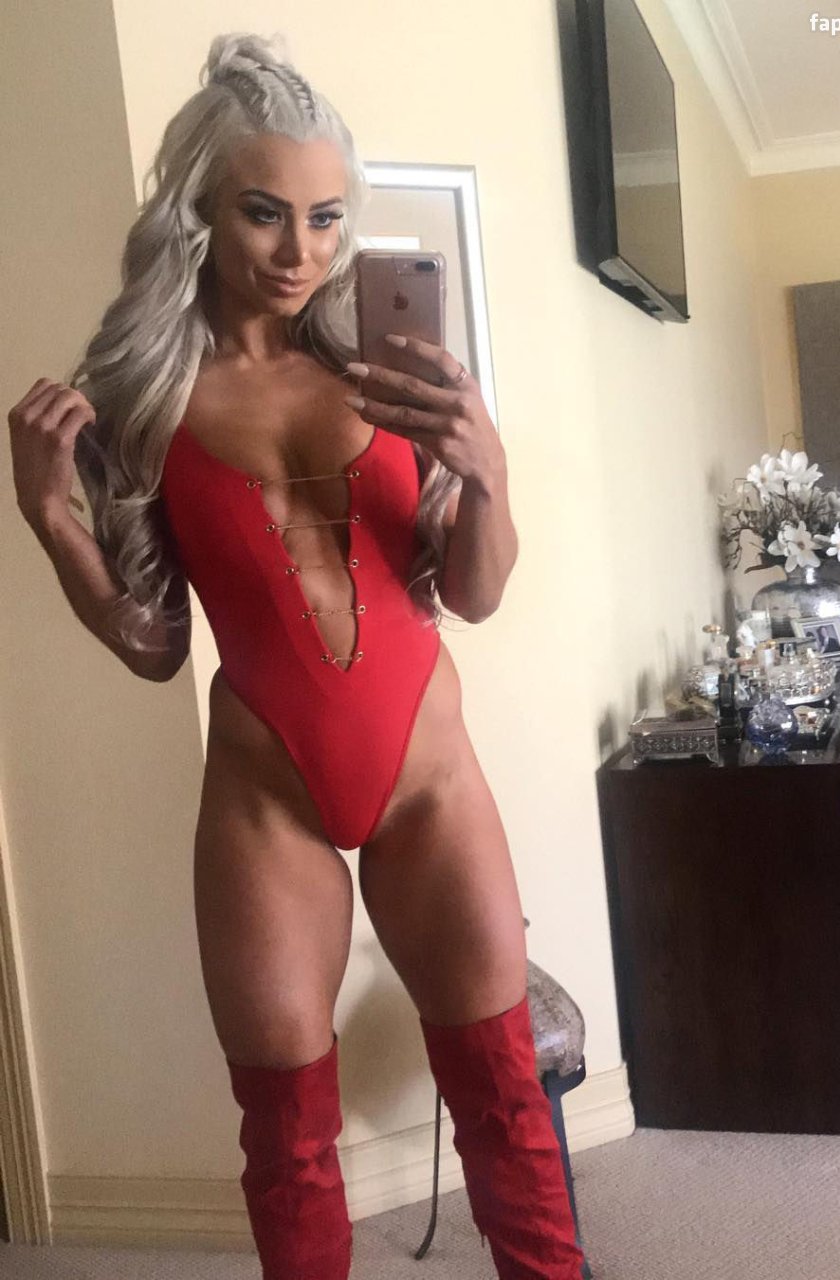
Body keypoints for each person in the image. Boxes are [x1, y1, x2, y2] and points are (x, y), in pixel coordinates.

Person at [7, 30, 586, 1280]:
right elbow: (157, 648)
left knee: (503, 1100)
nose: (300, 252)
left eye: (325, 218)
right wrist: (55, 521)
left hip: (430, 779)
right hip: (265, 796)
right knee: (287, 1145)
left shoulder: (388, 366)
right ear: (200, 211)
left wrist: (488, 472)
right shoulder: (144, 398)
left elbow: (473, 594)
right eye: (264, 212)